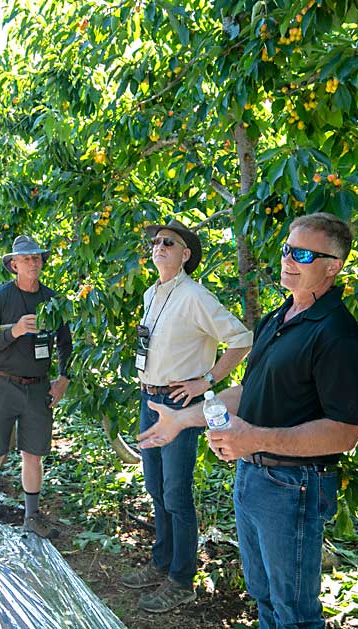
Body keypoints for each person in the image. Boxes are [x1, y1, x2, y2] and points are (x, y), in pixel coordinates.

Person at [137, 212, 358, 629]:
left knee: (294, 613)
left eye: (303, 253)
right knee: (264, 599)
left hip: (293, 487)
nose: (289, 259)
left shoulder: (337, 333)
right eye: (287, 249)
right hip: (253, 479)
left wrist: (253, 438)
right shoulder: (278, 319)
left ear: (332, 266)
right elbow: (247, 392)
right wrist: (184, 419)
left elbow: (344, 433)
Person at [121, 219, 253, 613]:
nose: (159, 247)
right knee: (156, 488)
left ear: (185, 254)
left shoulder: (195, 296)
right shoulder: (151, 294)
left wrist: (206, 380)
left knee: (176, 493)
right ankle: (161, 562)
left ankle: (181, 579)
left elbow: (242, 339)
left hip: (179, 403)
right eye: (157, 242)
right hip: (151, 401)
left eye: (169, 243)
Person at [0, 236, 72, 554]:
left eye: (37, 257)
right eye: (26, 259)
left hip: (39, 386)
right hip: (2, 385)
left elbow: (66, 343)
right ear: (13, 265)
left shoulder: (52, 300)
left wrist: (63, 378)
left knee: (34, 454)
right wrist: (13, 332)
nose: (33, 262)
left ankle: (31, 516)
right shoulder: (0, 299)